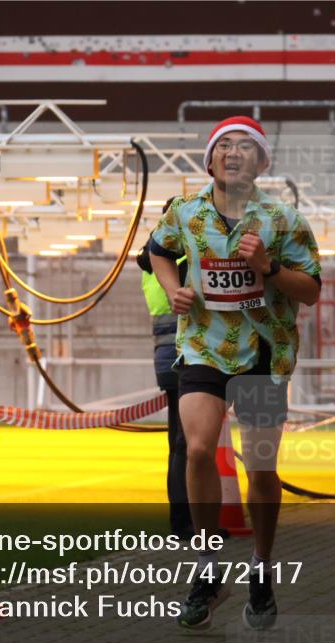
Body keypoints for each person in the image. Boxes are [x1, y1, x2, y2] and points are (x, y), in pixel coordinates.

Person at [149, 116, 322, 631]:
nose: (232, 152)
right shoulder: (184, 211)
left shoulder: (284, 219)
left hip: (263, 354)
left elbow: (311, 290)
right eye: (223, 145)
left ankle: (262, 571)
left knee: (261, 469)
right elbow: (156, 250)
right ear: (209, 160)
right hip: (203, 347)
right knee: (198, 448)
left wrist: (268, 268)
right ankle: (207, 567)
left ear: (262, 162)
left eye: (245, 146)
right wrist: (175, 286)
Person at [136, 198, 193, 539]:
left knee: (180, 442)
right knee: (188, 444)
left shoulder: (150, 261)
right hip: (188, 355)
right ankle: (187, 524)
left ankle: (185, 521)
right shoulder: (180, 260)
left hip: (165, 357)